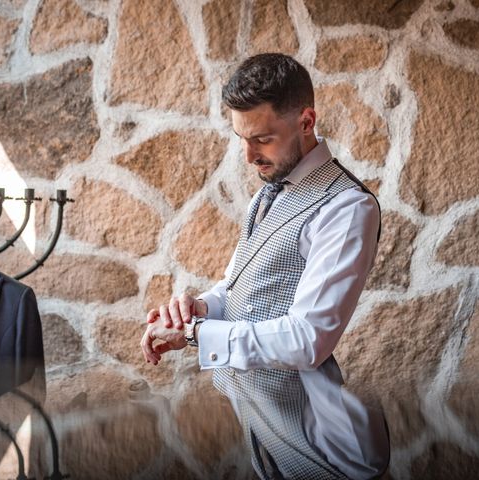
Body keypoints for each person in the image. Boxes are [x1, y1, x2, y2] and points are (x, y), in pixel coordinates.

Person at [141, 53, 390, 480]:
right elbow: (241, 287)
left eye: (262, 138)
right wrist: (199, 307)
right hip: (265, 435)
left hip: (325, 453)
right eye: (241, 138)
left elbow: (308, 338)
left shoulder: (348, 207)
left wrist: (194, 333)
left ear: (306, 121)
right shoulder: (271, 190)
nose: (249, 154)